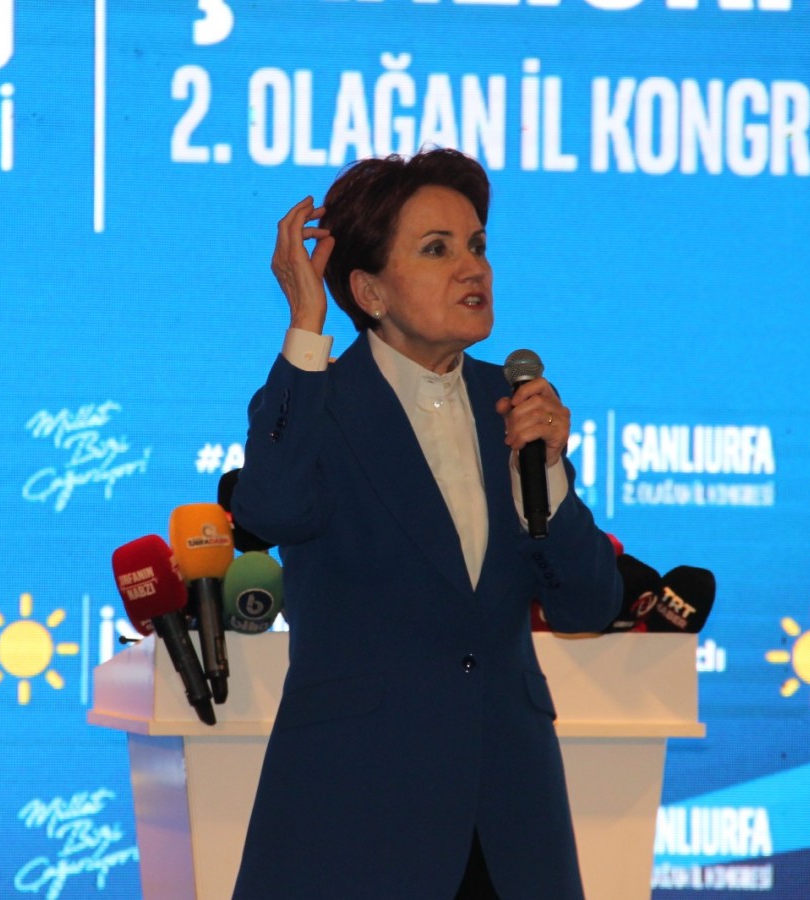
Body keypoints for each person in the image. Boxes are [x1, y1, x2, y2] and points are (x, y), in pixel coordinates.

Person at [230, 148, 622, 899]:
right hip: (353, 819)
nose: (473, 268)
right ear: (369, 291)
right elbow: (270, 510)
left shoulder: (516, 406)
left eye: (477, 245)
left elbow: (587, 604)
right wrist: (306, 324)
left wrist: (544, 472)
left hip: (511, 826)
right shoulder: (317, 402)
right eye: (437, 250)